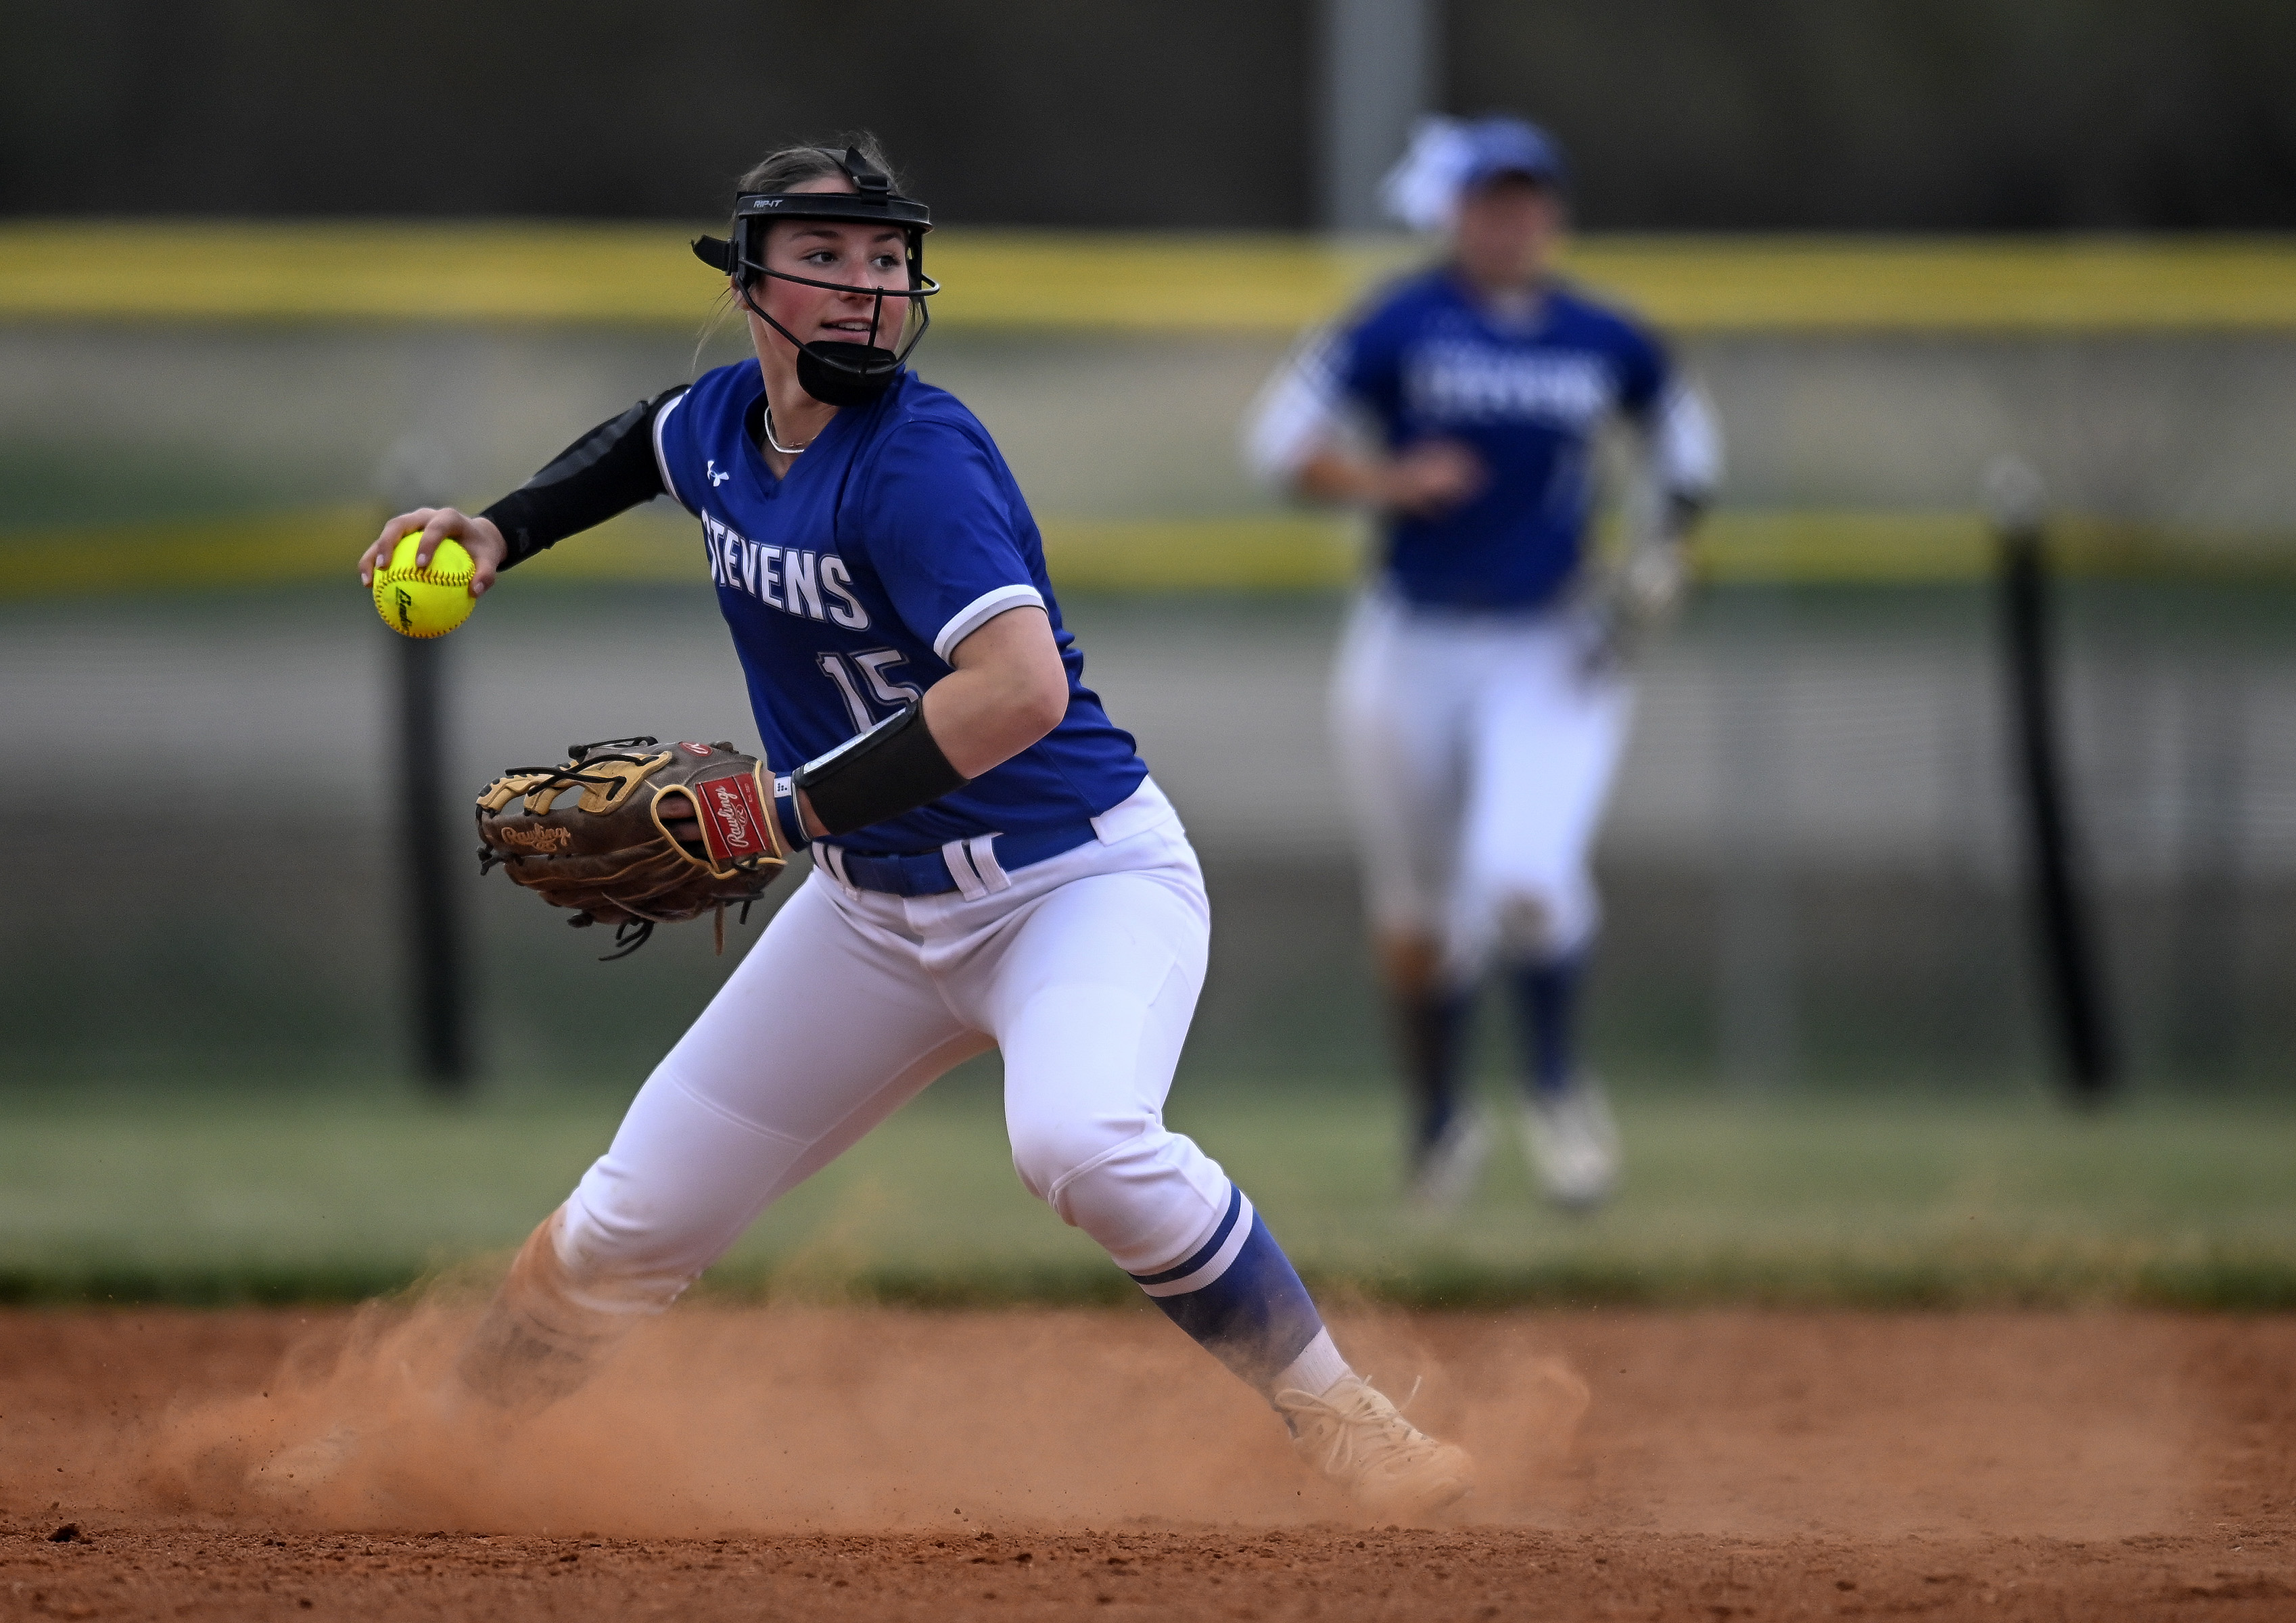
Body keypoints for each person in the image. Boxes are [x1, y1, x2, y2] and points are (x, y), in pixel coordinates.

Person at [345, 136, 1472, 1516]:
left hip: (1075, 884)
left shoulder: (915, 460)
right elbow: (645, 444)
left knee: (1083, 1144)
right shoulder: (723, 425)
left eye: (886, 261)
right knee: (625, 1223)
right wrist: (503, 530)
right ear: (753, 282)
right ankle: (429, 1455)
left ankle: (1347, 1420)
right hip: (871, 911)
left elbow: (1018, 692)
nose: (865, 287)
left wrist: (782, 805)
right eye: (825, 259)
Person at [1242, 117, 1721, 1211]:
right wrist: (1386, 480)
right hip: (1410, 641)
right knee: (1417, 913)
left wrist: (1666, 547)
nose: (1511, 220)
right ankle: (1439, 1125)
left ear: (1553, 212)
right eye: (1490, 200)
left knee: (1524, 877)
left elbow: (1688, 453)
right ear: (1454, 211)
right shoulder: (1398, 321)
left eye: (1529, 199)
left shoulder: (1605, 337)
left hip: (1552, 643)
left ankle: (1557, 1095)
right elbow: (1276, 442)